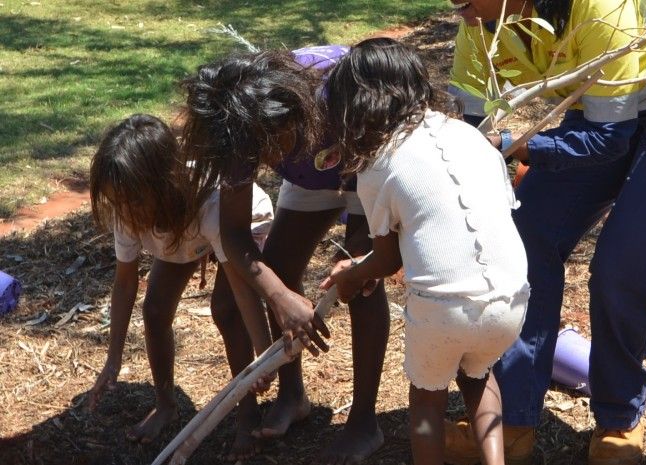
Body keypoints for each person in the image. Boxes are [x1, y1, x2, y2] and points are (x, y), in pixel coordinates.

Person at [445, 0, 646, 464]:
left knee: (623, 261)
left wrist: (512, 147)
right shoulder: (477, 22)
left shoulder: (595, 5)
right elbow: (472, 131)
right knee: (524, 237)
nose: (458, 7)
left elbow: (607, 140)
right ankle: (511, 418)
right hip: (609, 106)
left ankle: (619, 417)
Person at [320, 38, 529, 465]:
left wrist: (351, 276)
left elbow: (387, 261)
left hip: (444, 309)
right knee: (478, 374)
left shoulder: (378, 162)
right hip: (512, 298)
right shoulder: (470, 136)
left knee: (427, 399)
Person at [180, 46, 391, 464]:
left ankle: (365, 421)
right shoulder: (240, 124)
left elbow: (381, 154)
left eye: (265, 151)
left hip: (364, 160)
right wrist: (278, 294)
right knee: (275, 271)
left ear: (288, 116)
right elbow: (234, 232)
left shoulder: (339, 92)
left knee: (361, 279)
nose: (261, 164)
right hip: (311, 169)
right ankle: (293, 396)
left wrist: (364, 257)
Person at [85, 113, 275, 461]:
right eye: (117, 204)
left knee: (226, 310)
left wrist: (265, 356)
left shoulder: (213, 202)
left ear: (165, 182)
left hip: (241, 224)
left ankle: (248, 412)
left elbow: (244, 291)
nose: (126, 214)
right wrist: (113, 359)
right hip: (184, 235)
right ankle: (166, 405)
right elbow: (126, 284)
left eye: (133, 203)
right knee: (155, 309)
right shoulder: (129, 206)